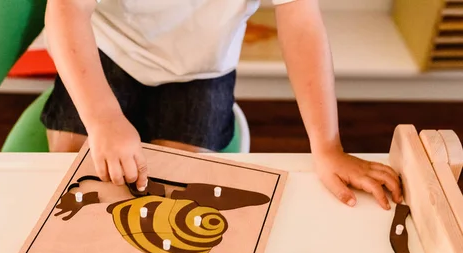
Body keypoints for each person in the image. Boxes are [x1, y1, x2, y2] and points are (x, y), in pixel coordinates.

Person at [40, 0, 403, 210]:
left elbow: (301, 21)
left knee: (171, 196)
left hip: (202, 71)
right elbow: (65, 12)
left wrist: (327, 146)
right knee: (70, 183)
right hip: (106, 49)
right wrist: (103, 117)